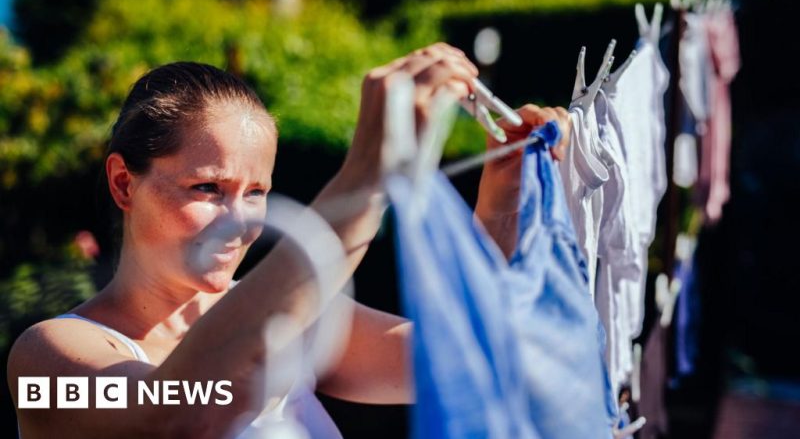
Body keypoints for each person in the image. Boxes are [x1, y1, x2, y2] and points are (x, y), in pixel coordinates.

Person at [7, 43, 570, 438]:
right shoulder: (45, 365)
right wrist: (364, 178)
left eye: (257, 193)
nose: (239, 221)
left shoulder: (289, 322)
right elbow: (174, 417)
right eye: (208, 187)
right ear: (124, 183)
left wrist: (505, 193)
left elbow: (464, 351)